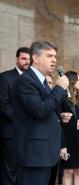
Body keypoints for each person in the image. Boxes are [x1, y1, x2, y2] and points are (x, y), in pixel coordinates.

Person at [11, 41, 69, 185]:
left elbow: (45, 108)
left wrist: (57, 116)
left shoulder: (40, 81)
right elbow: (39, 110)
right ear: (35, 58)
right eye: (49, 56)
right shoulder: (26, 80)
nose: (54, 60)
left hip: (44, 153)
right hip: (34, 154)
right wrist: (59, 88)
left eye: (55, 56)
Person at [0, 47, 30, 185]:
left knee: (25, 171)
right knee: (10, 170)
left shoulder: (33, 79)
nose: (27, 62)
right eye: (24, 58)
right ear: (16, 59)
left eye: (29, 59)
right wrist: (23, 121)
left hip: (31, 135)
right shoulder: (5, 78)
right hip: (11, 133)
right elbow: (3, 105)